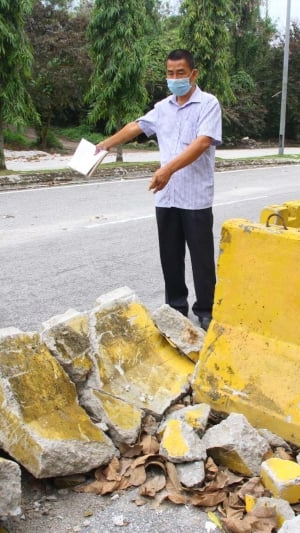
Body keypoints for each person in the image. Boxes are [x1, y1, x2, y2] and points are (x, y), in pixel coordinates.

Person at [96, 49, 222, 331]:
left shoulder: (208, 104)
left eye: (180, 73)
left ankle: (206, 310)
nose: (175, 78)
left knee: (201, 258)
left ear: (193, 74)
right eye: (170, 73)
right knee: (170, 256)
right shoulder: (163, 107)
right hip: (166, 196)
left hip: (195, 196)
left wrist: (168, 170)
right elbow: (136, 126)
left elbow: (202, 143)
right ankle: (176, 307)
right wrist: (105, 145)